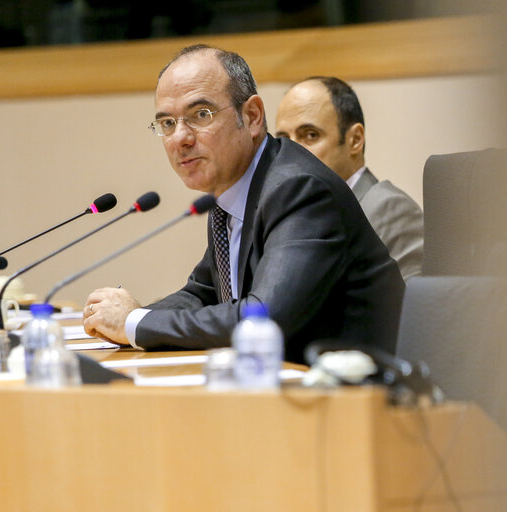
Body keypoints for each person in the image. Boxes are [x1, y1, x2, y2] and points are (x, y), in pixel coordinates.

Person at [82, 45, 405, 363]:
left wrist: (134, 323)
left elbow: (262, 319)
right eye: (167, 123)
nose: (180, 138)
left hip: (355, 400)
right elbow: (202, 294)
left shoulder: (299, 189)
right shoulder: (234, 192)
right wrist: (123, 318)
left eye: (200, 115)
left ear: (251, 116)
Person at [275, 76, 424, 280]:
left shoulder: (390, 210)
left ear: (355, 140)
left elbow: (412, 308)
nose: (291, 152)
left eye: (310, 135)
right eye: (283, 139)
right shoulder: (290, 216)